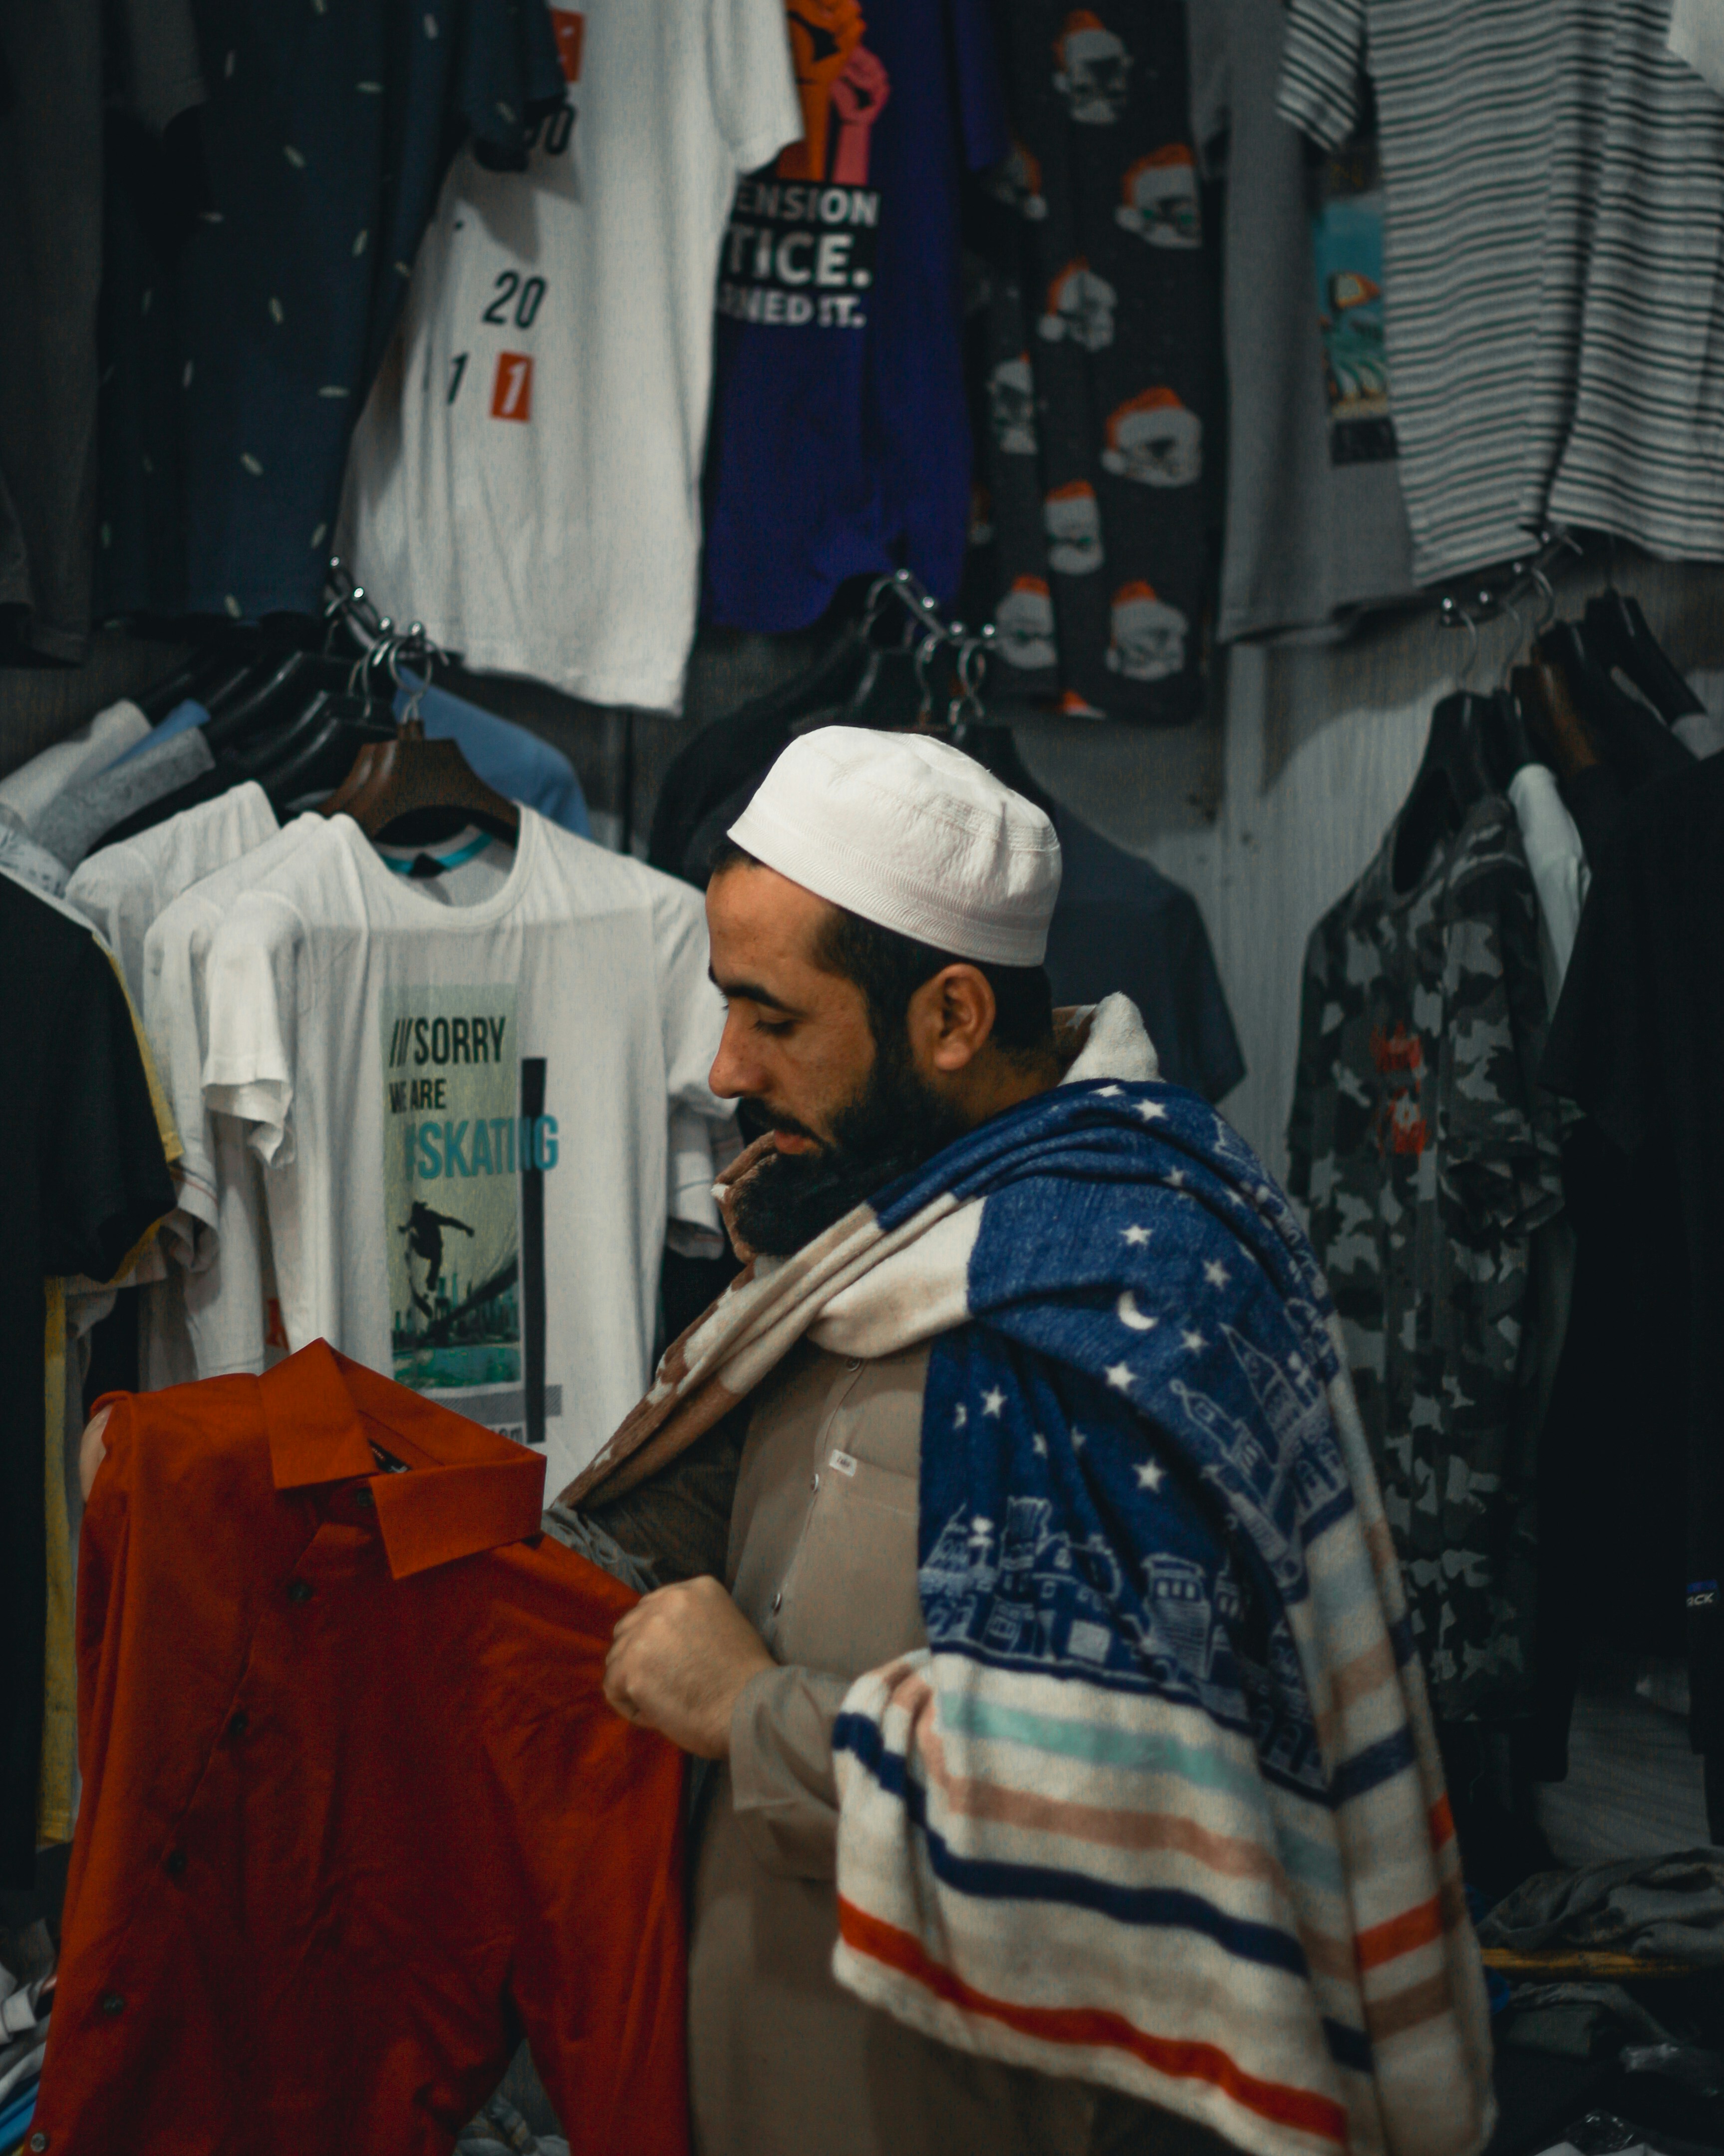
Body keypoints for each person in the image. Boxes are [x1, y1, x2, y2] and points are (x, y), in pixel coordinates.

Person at [575, 729, 1488, 2156]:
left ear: (950, 1016)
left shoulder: (1138, 1289)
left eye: (773, 1016)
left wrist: (750, 1715)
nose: (725, 1065)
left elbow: (1147, 1807)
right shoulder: (854, 1226)